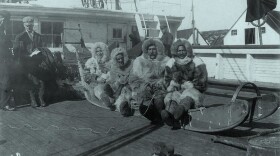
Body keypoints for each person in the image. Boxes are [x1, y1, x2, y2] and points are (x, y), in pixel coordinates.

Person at [161, 38, 208, 128]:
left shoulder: (196, 62)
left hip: (193, 90)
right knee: (172, 97)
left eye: (183, 50)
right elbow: (167, 80)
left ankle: (180, 111)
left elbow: (203, 81)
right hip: (177, 90)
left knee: (188, 97)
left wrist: (192, 85)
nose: (181, 53)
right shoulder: (171, 62)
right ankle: (168, 115)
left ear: (187, 50)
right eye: (179, 51)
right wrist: (171, 84)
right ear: (176, 51)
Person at [129, 38, 170, 124]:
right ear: (146, 50)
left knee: (159, 100)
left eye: (154, 49)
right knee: (144, 106)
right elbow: (134, 78)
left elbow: (169, 76)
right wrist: (143, 85)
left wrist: (161, 82)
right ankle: (155, 117)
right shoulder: (139, 61)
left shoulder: (165, 60)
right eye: (149, 49)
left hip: (160, 87)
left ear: (158, 49)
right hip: (145, 88)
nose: (151, 51)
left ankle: (161, 117)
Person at [13, 16, 45, 107]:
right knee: (30, 81)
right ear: (24, 25)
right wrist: (26, 56)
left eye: (30, 25)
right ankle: (33, 100)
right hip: (25, 63)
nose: (29, 27)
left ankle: (41, 98)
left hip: (37, 63)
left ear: (33, 25)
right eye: (27, 25)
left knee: (41, 81)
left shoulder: (39, 36)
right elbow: (16, 52)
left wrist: (38, 53)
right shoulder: (19, 37)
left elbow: (42, 49)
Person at [102, 47, 134, 116]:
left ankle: (125, 106)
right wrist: (119, 81)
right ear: (115, 60)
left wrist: (127, 80)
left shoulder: (131, 64)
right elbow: (113, 80)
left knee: (128, 96)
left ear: (124, 57)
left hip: (129, 86)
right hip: (118, 87)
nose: (120, 60)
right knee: (117, 95)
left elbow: (135, 75)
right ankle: (118, 105)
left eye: (121, 58)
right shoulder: (114, 68)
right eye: (118, 59)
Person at [84, 42, 113, 109]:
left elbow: (114, 72)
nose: (99, 53)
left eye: (101, 51)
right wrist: (96, 78)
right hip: (96, 83)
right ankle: (105, 99)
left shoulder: (110, 61)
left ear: (105, 51)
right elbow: (86, 75)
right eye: (97, 51)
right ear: (94, 52)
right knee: (98, 89)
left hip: (109, 82)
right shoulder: (91, 61)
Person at [0, 10, 15, 111]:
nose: (2, 20)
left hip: (5, 59)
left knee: (6, 82)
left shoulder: (6, 30)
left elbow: (8, 44)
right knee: (5, 81)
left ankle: (4, 103)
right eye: (1, 18)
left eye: (5, 19)